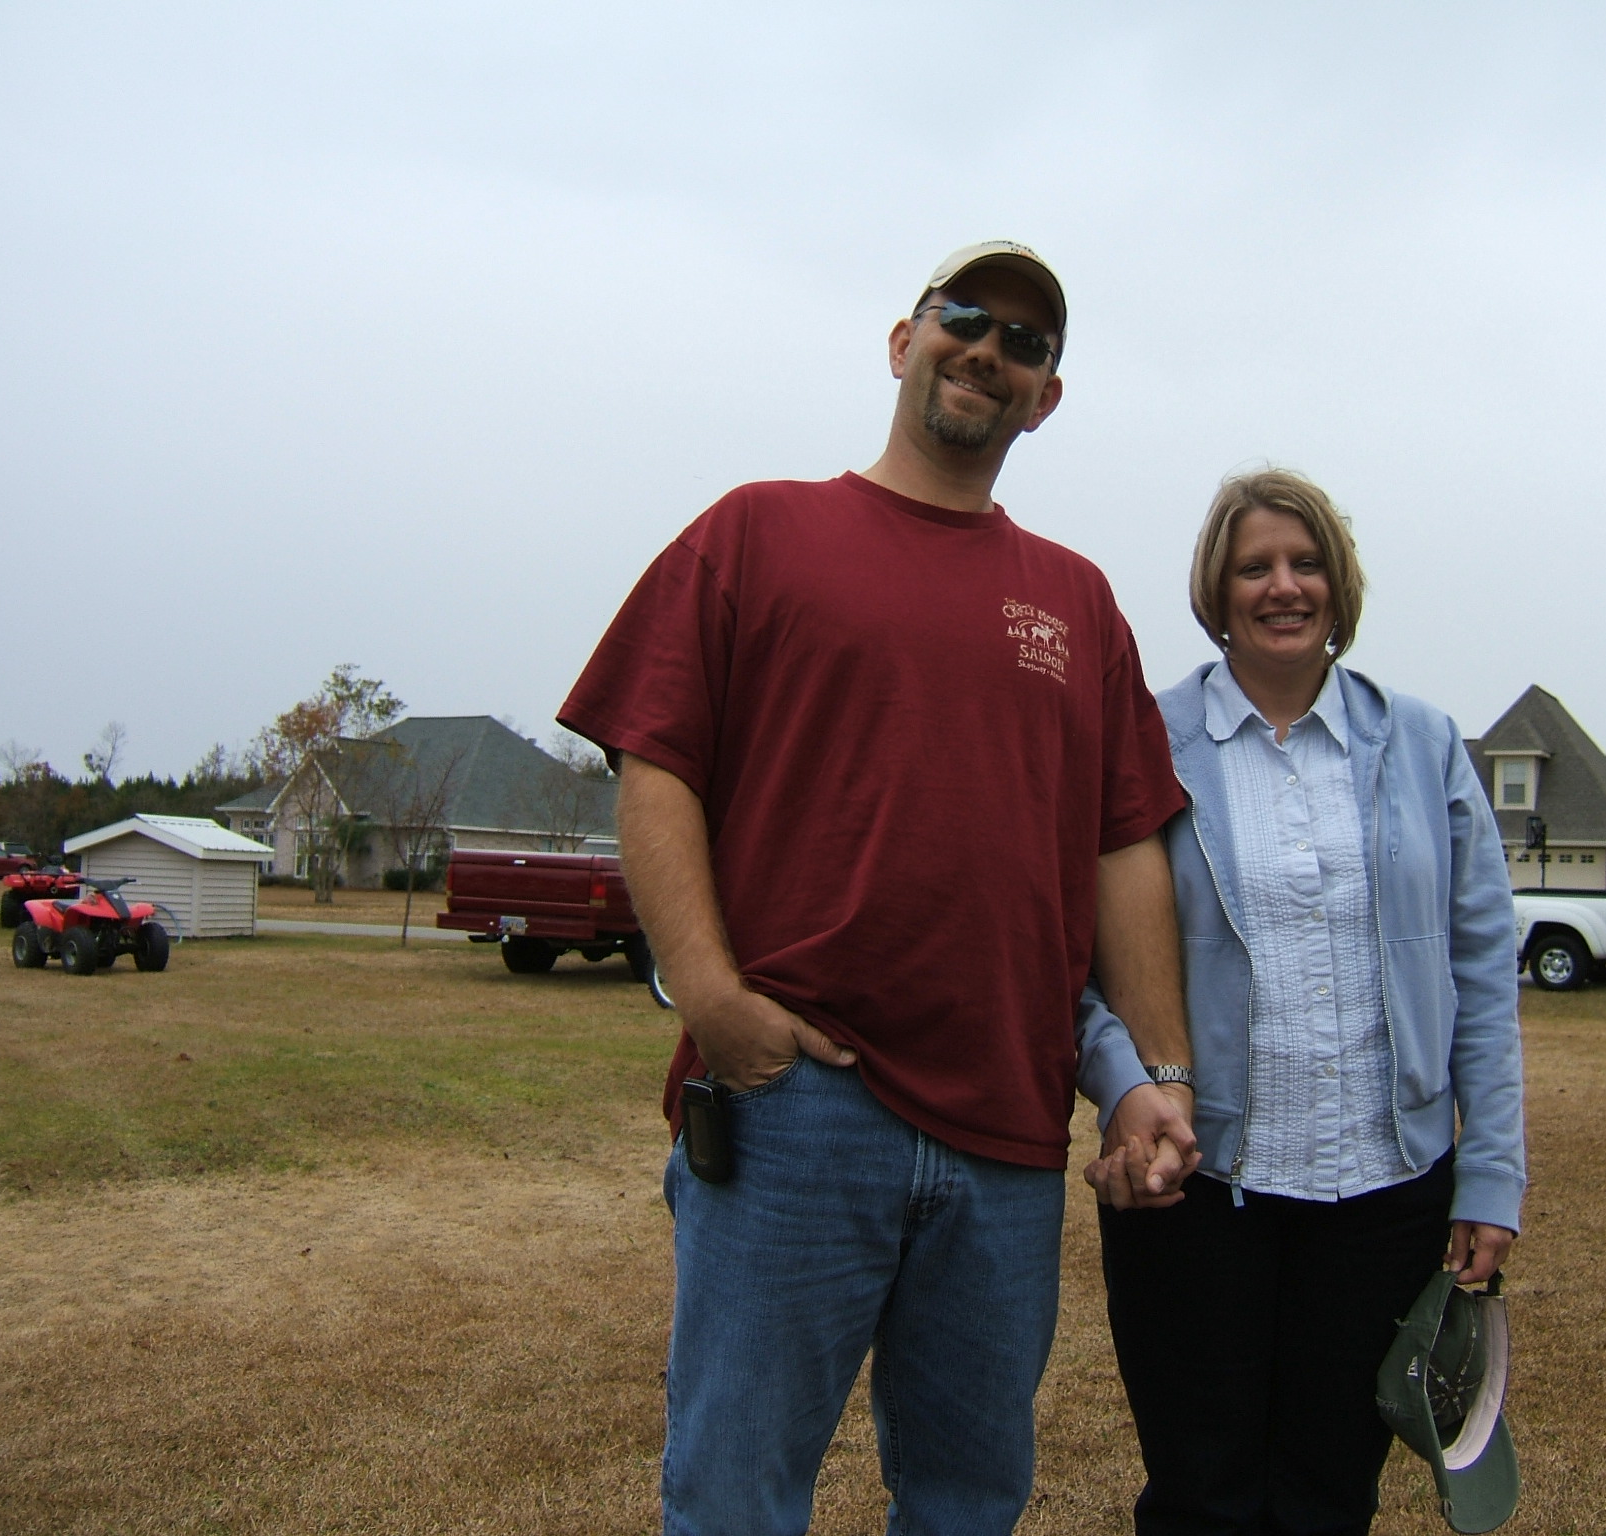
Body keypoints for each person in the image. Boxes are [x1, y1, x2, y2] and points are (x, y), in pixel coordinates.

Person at [558, 242, 1199, 1536]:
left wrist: (1160, 1080)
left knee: (968, 1502)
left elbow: (1123, 846)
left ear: (1046, 398)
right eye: (964, 317)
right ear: (903, 342)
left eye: (1025, 344)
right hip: (796, 1109)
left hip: (1007, 1133)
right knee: (735, 1495)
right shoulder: (758, 532)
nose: (989, 350)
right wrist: (712, 997)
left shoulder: (1077, 603)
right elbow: (656, 761)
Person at [1079, 467, 1526, 1536]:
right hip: (1194, 1192)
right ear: (1215, 588)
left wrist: (1491, 1176)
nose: (1283, 586)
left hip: (1385, 1193)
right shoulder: (1140, 739)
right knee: (1201, 1497)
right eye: (1254, 567)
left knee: (1330, 1497)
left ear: (1338, 583)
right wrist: (1125, 1089)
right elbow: (1074, 959)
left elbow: (1480, 970)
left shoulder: (1424, 744)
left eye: (1305, 562)